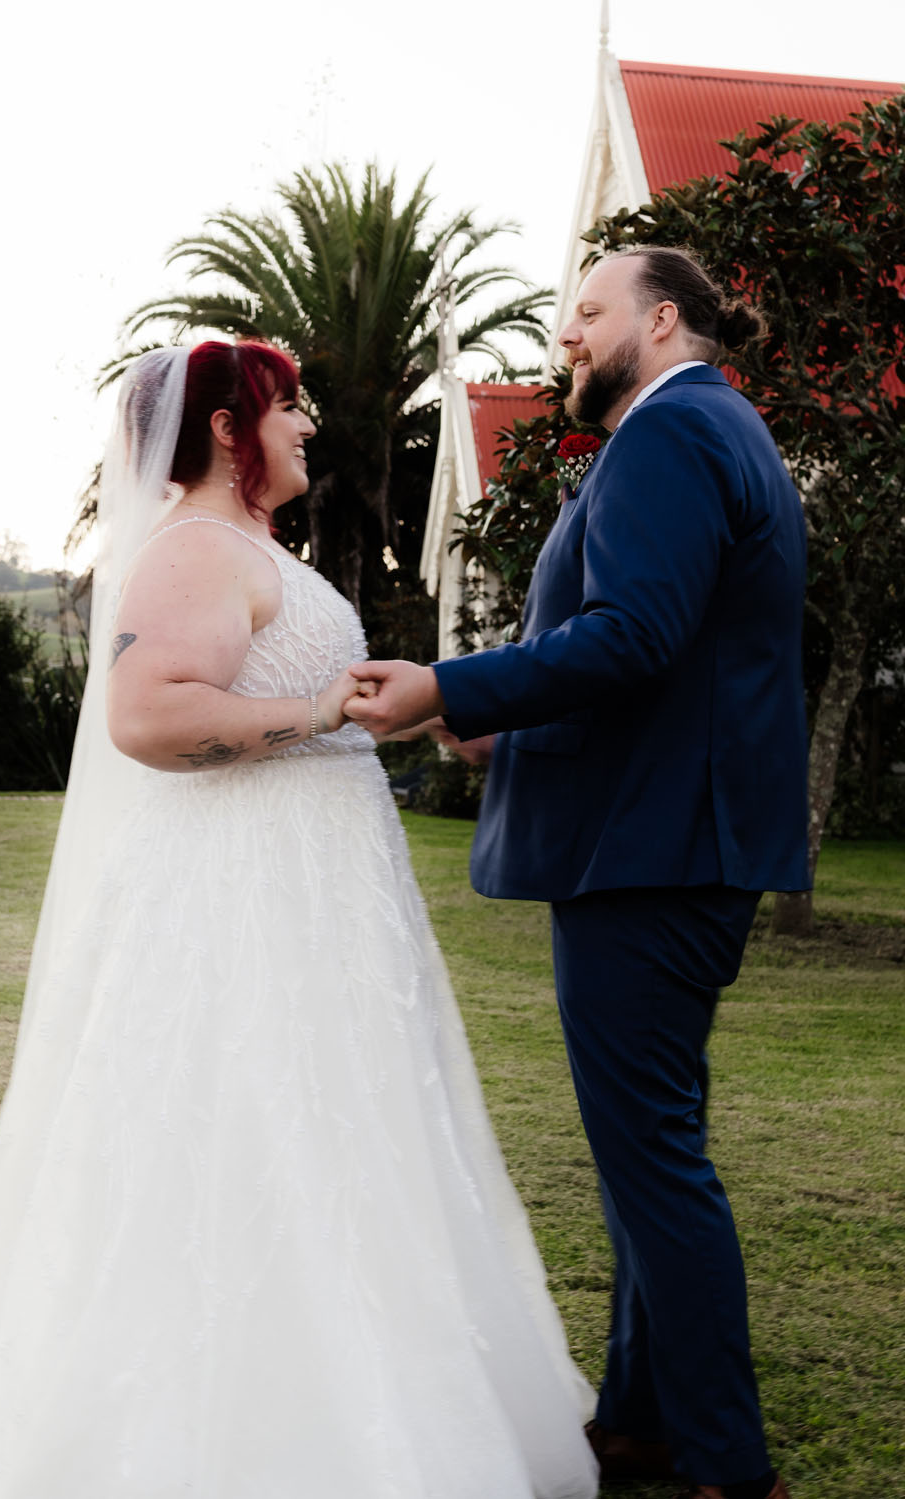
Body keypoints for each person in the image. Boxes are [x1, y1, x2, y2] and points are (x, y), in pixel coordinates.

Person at [0, 340, 599, 1499]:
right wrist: (321, 705)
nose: (309, 426)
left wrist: (400, 711)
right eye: (289, 408)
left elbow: (296, 692)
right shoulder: (190, 548)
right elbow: (150, 716)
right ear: (230, 429)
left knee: (342, 1124)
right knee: (244, 1116)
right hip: (243, 901)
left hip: (323, 896)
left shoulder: (256, 549)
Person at [345, 247, 809, 1499]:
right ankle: (642, 1422)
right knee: (640, 1152)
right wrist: (511, 721)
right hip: (665, 841)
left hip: (650, 858)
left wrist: (448, 682)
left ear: (659, 323)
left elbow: (635, 633)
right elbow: (666, 662)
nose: (563, 334)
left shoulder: (670, 435)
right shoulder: (716, 427)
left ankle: (727, 1461)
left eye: (585, 312)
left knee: (652, 1156)